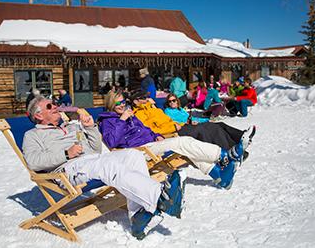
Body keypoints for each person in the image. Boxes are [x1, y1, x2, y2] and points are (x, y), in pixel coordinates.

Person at [23, 96, 186, 240]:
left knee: (133, 155)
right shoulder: (32, 135)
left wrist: (90, 128)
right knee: (110, 166)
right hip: (69, 169)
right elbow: (33, 162)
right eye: (50, 106)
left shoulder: (70, 126)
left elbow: (95, 150)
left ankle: (137, 217)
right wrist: (66, 154)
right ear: (38, 115)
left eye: (55, 103)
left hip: (92, 160)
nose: (56, 106)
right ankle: (160, 197)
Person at [98, 91, 248, 190]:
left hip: (151, 143)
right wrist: (122, 120)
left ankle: (220, 177)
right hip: (137, 152)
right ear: (111, 104)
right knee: (182, 142)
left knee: (185, 149)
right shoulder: (108, 121)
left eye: (123, 101)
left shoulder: (129, 115)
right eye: (118, 103)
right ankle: (224, 156)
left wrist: (155, 134)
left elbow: (145, 128)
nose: (123, 105)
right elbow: (111, 142)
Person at [163, 92, 255, 151]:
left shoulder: (180, 109)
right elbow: (173, 122)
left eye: (173, 100)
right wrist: (188, 122)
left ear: (177, 101)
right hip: (185, 128)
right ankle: (230, 148)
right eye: (170, 101)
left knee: (220, 124)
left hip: (192, 124)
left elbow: (192, 118)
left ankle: (242, 136)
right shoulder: (167, 111)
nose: (172, 102)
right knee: (215, 128)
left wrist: (206, 119)